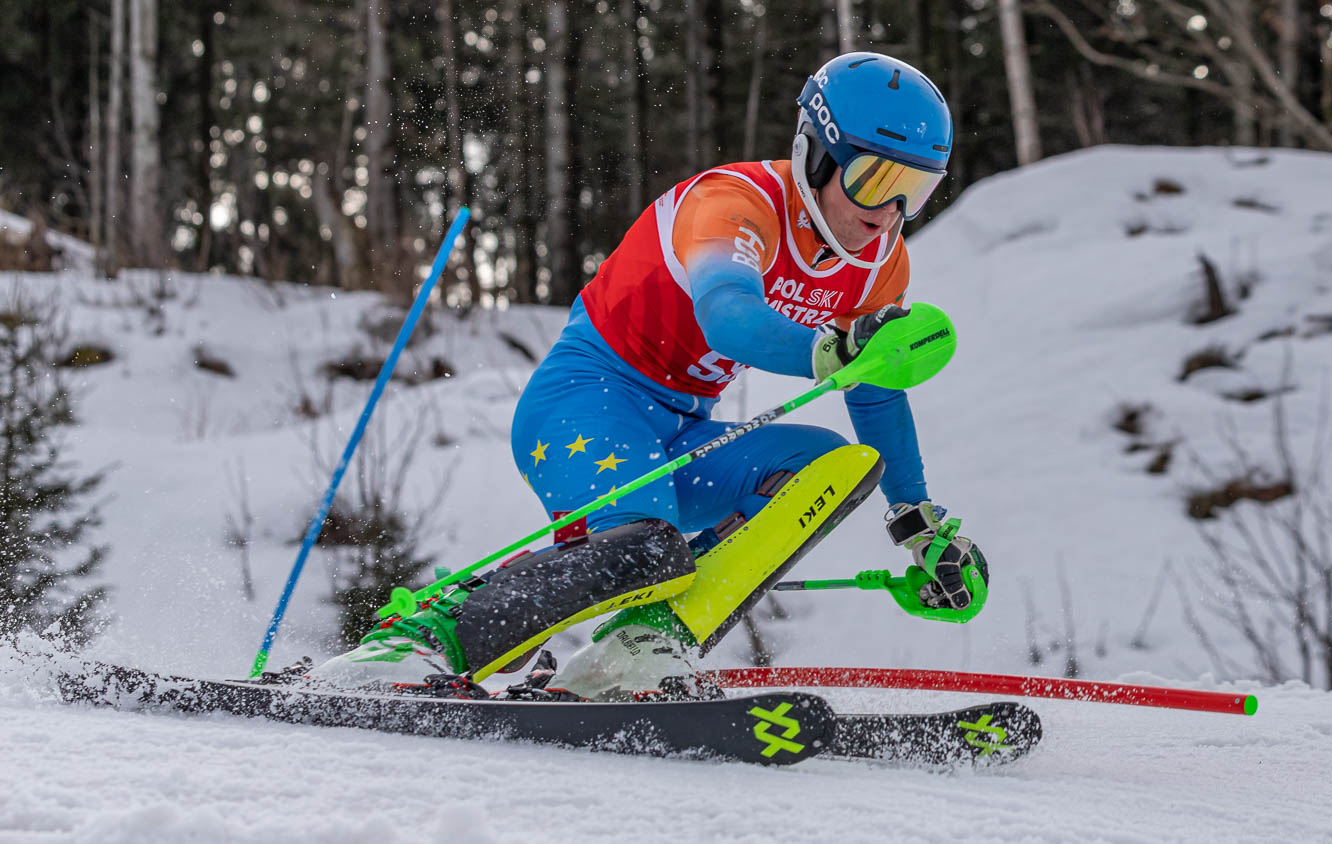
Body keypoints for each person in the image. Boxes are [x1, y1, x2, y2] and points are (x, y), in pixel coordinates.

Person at [313, 51, 986, 700]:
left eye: (915, 190)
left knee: (831, 467)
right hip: (587, 401)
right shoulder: (735, 203)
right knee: (644, 550)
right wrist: (833, 347)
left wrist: (920, 524)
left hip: (680, 433)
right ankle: (423, 639)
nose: (888, 214)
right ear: (817, 152)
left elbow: (874, 385)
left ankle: (637, 646)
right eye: (875, 180)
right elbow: (727, 315)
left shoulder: (880, 264)